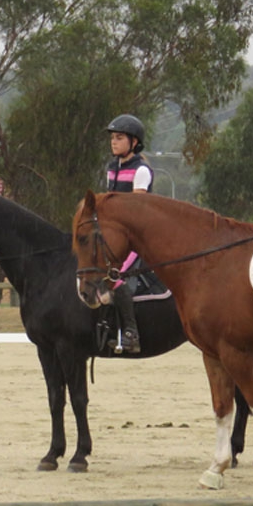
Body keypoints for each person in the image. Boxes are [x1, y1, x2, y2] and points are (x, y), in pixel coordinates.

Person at [104, 114, 154, 354]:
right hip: (114, 236)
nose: (114, 142)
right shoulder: (111, 168)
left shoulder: (141, 171)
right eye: (113, 138)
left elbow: (137, 213)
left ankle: (131, 334)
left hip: (134, 238)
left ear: (133, 142)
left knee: (117, 275)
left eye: (119, 138)